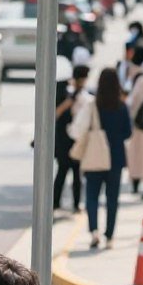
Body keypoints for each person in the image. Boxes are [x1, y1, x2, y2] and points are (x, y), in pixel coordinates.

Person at [70, 66, 133, 249]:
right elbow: (128, 133)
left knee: (91, 197)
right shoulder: (122, 106)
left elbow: (79, 129)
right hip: (115, 158)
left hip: (94, 156)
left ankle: (94, 232)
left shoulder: (93, 104)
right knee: (112, 199)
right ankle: (110, 236)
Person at [53, 60, 83, 213]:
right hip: (63, 139)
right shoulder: (62, 91)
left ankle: (75, 204)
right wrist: (68, 103)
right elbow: (55, 114)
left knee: (75, 174)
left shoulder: (80, 94)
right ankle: (56, 202)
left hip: (73, 138)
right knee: (63, 171)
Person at [126, 54, 143, 199]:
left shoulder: (142, 80)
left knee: (138, 155)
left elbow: (133, 101)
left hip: (141, 124)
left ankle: (136, 183)